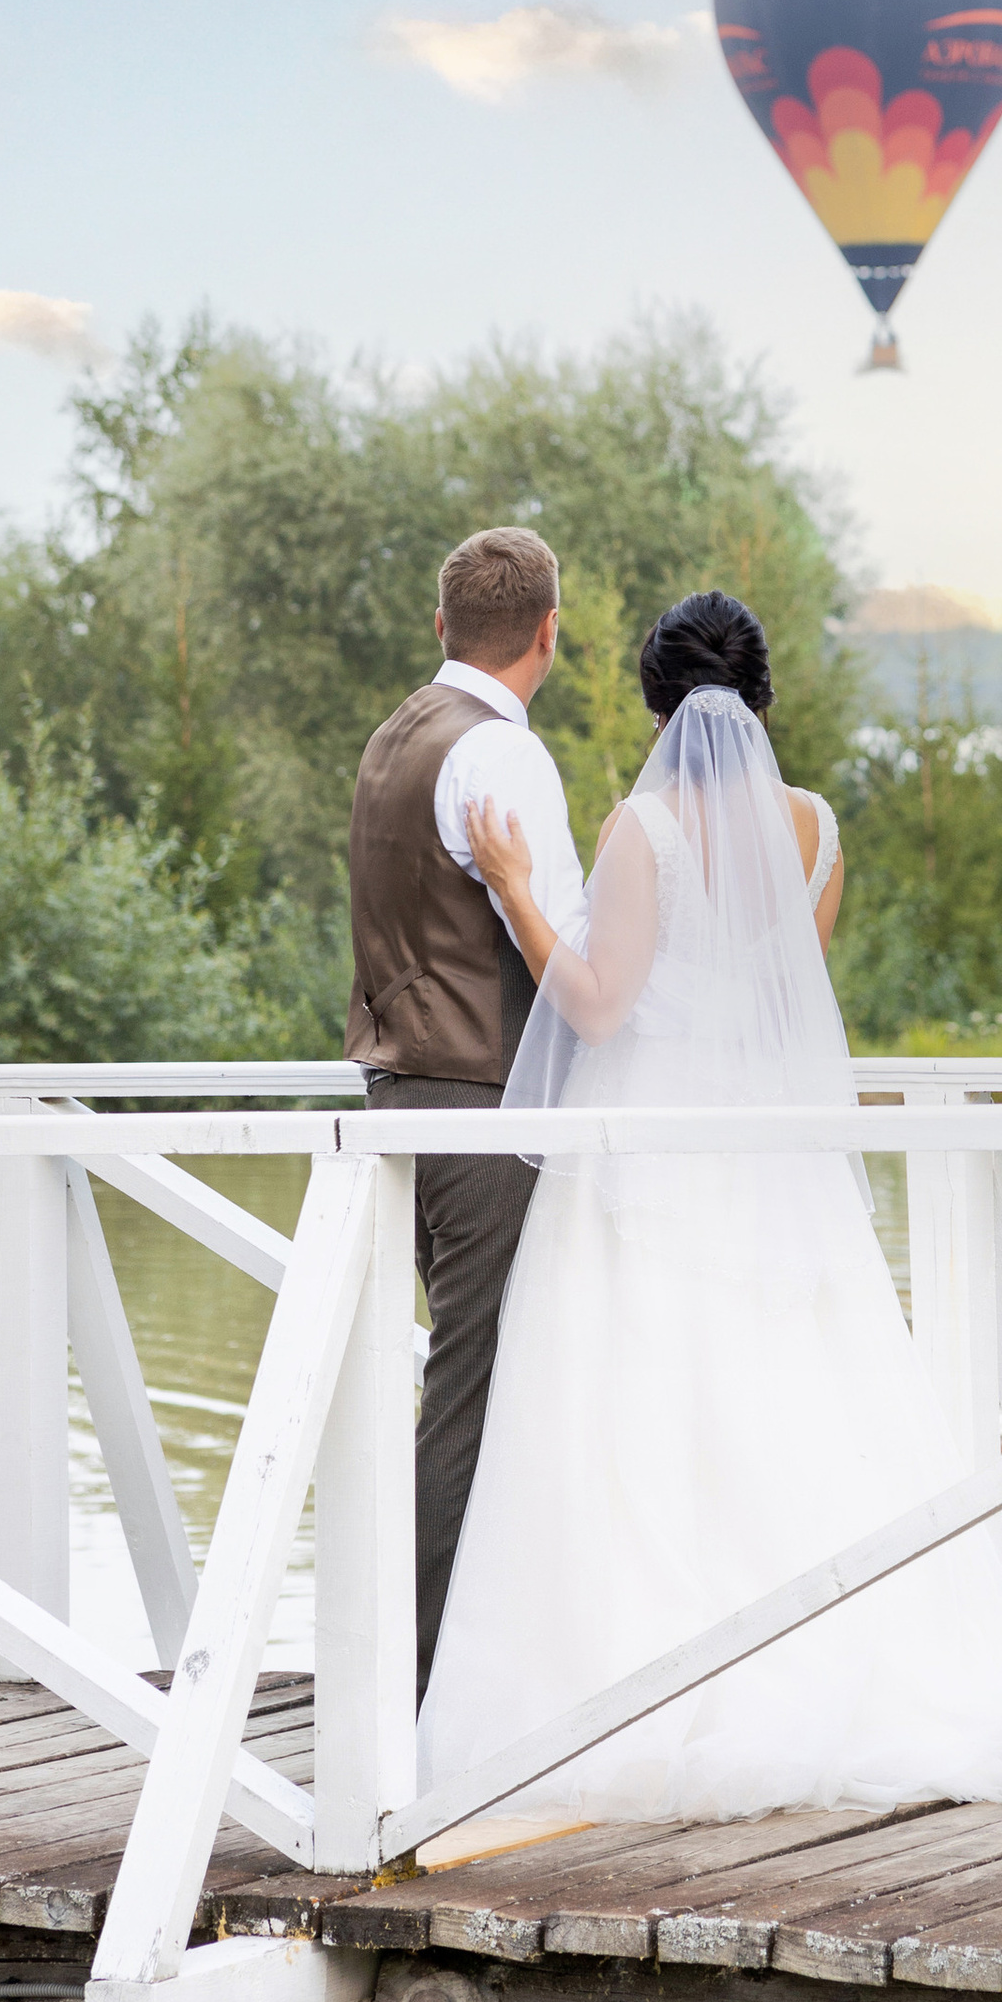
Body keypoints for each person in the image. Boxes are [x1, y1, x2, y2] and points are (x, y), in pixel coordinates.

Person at [418, 587, 1002, 1826]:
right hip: (769, 1160)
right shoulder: (814, 830)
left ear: (657, 700)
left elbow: (598, 1008)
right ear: (763, 697)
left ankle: (636, 1687)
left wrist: (516, 889)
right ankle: (831, 1661)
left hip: (649, 1146)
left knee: (638, 1411)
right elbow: (783, 995)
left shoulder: (640, 829)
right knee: (795, 1400)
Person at [346, 523, 587, 1699]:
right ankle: (433, 1682)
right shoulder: (504, 757)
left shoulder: (394, 737)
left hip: (397, 1092)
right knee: (475, 1391)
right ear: (550, 631)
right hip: (487, 1108)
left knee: (451, 1384)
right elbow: (571, 960)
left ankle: (435, 1655)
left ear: (442, 625)